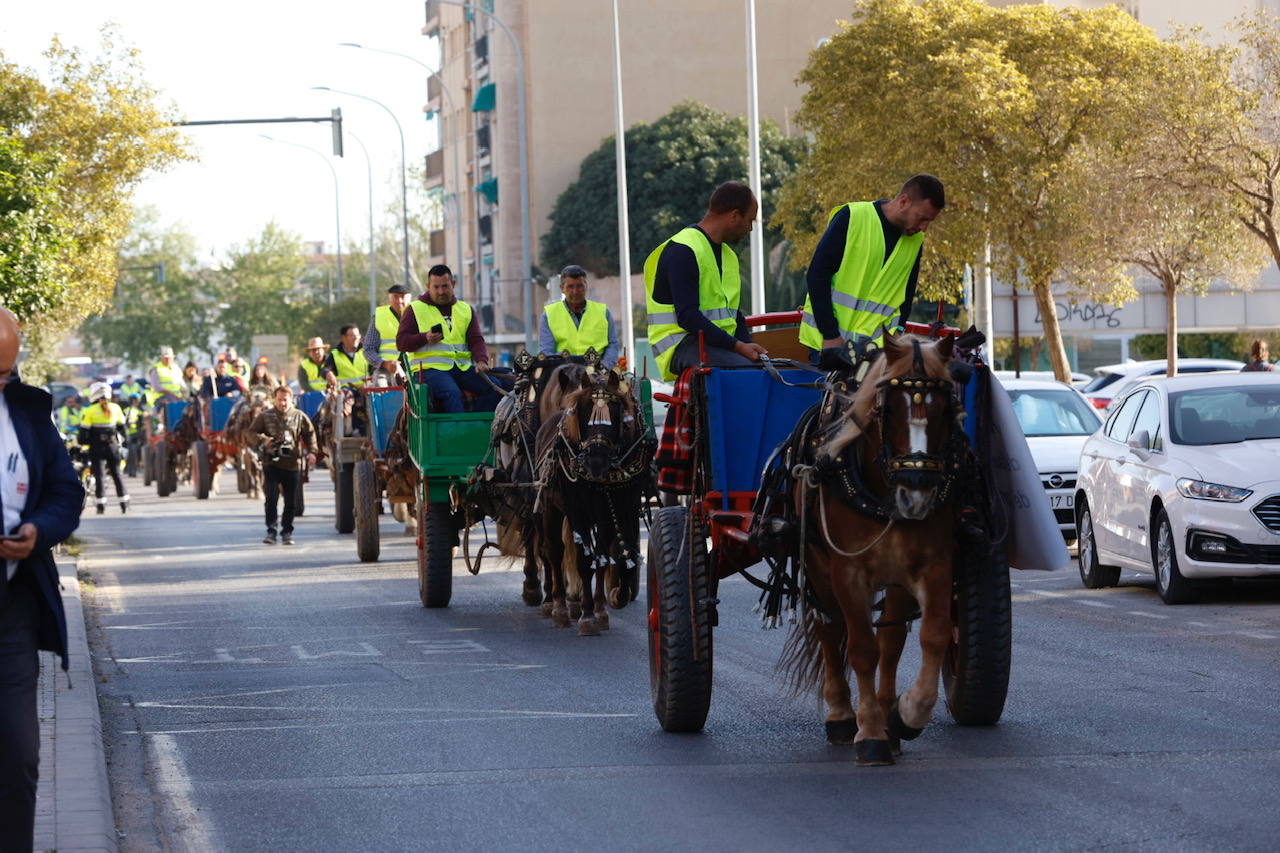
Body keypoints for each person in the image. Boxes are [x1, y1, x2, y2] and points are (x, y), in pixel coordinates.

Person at [0, 306, 84, 850]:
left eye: (5, 374)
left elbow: (66, 493)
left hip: (14, 607)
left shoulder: (29, 414)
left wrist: (37, 530)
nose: (2, 384)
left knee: (18, 754)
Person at [799, 174, 945, 362]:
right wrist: (830, 335)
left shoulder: (916, 240)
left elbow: (907, 294)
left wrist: (899, 331)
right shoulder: (853, 217)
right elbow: (817, 276)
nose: (923, 227)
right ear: (903, 201)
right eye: (922, 218)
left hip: (879, 351)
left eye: (928, 222)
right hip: (832, 344)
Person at [644, 181, 768, 381]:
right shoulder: (683, 249)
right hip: (681, 344)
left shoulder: (728, 255)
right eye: (750, 221)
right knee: (749, 376)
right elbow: (688, 317)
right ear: (734, 216)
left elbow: (734, 314)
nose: (750, 229)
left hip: (715, 344)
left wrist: (748, 346)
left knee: (766, 369)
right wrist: (739, 347)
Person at [396, 264, 504, 413]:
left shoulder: (466, 309)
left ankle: (480, 430)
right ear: (428, 287)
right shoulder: (414, 309)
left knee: (495, 387)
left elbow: (476, 340)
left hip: (461, 368)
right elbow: (401, 343)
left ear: (453, 284)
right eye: (436, 287)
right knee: (452, 393)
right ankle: (456, 434)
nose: (441, 291)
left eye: (445, 286)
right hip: (428, 370)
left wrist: (481, 361)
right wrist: (425, 337)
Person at [248, 386, 316, 545]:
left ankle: (287, 532)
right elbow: (250, 433)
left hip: (292, 464)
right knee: (271, 498)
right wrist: (264, 440)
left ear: (290, 399)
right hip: (271, 463)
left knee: (291, 501)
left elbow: (310, 434)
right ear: (274, 399)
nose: (282, 403)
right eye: (279, 399)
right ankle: (271, 532)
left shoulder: (299, 416)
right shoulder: (265, 416)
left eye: (285, 400)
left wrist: (312, 452)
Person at [539, 264, 621, 367]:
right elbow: (547, 352)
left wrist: (605, 366)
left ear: (586, 286)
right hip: (563, 371)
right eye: (570, 287)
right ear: (562, 288)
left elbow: (613, 345)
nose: (575, 291)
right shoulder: (548, 315)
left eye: (579, 286)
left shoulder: (604, 312)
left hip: (598, 372)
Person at [78, 382, 130, 514]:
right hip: (113, 447)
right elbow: (123, 430)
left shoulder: (89, 411)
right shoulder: (116, 408)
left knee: (100, 476)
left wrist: (86, 444)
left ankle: (101, 507)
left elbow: (83, 436)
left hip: (97, 449)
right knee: (117, 474)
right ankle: (124, 504)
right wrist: (123, 445)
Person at [364, 283, 412, 383]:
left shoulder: (417, 315)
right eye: (395, 297)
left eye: (402, 297)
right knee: (381, 388)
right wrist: (384, 363)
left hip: (413, 367)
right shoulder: (379, 317)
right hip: (385, 370)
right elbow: (368, 349)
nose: (399, 301)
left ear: (410, 298)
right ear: (389, 299)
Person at [323, 324, 370, 389]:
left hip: (367, 390)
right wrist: (328, 373)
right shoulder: (335, 355)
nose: (356, 338)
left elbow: (375, 370)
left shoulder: (366, 351)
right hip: (345, 392)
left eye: (358, 335)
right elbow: (325, 369)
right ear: (343, 338)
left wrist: (368, 385)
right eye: (352, 336)